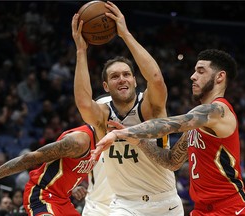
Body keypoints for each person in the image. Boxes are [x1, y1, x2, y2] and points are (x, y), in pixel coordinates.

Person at [94, 49, 245, 215]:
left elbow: (169, 124)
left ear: (219, 77)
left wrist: (122, 133)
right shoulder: (198, 121)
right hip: (201, 209)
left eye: (200, 71)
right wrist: (140, 142)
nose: (193, 76)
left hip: (231, 207)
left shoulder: (219, 110)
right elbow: (172, 162)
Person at [72, 1, 184, 215]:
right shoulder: (103, 113)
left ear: (134, 80)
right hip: (125, 205)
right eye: (114, 76)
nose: (121, 79)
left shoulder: (150, 106)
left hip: (165, 202)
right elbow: (84, 103)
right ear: (106, 86)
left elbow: (157, 80)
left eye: (126, 74)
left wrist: (125, 34)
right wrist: (80, 50)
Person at [0, 124, 100, 216]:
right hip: (41, 194)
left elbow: (67, 169)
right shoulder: (78, 141)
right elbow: (29, 158)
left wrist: (71, 188)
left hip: (62, 199)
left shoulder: (104, 143)